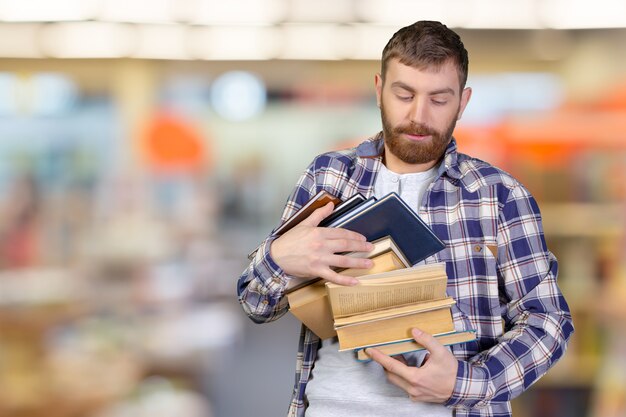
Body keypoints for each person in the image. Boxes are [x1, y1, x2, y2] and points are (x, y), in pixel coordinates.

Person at [237, 20, 574, 417]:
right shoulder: (328, 175)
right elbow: (256, 305)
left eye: (439, 99)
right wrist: (278, 257)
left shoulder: (499, 196)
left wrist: (469, 382)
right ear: (379, 89)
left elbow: (548, 322)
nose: (418, 115)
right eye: (404, 93)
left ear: (463, 103)